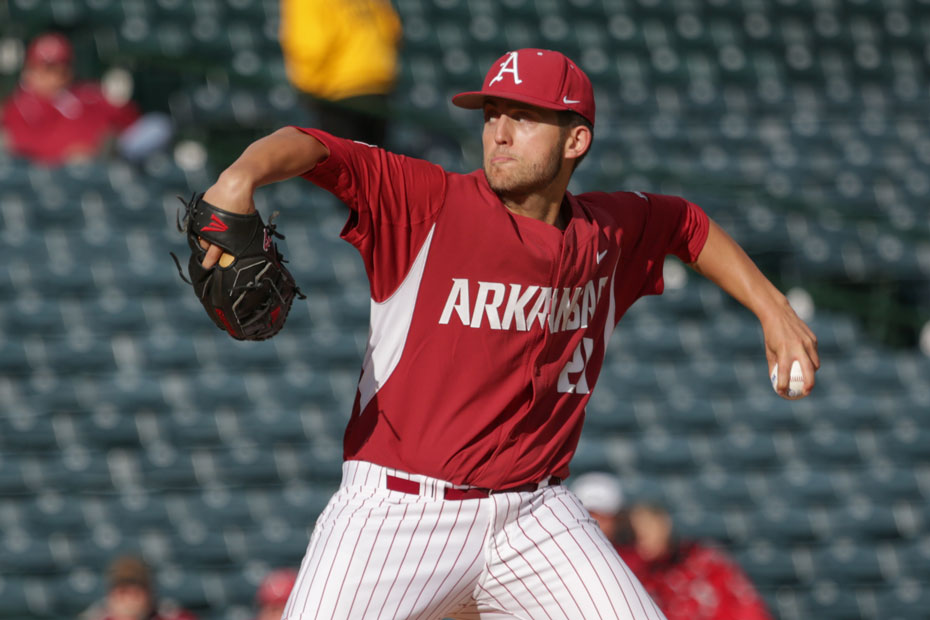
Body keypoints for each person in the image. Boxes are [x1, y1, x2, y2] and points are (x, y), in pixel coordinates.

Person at [192, 48, 819, 619]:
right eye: (493, 113)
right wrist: (240, 178)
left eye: (523, 116)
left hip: (537, 514)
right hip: (398, 513)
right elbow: (312, 144)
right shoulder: (428, 203)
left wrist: (774, 309)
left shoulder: (609, 233)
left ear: (576, 140)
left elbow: (686, 224)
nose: (500, 132)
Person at [1, 32, 172, 166]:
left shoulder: (86, 93)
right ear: (30, 69)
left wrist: (112, 137)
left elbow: (129, 118)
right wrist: (68, 154)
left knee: (158, 125)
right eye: (47, 68)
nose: (54, 76)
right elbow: (24, 148)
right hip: (64, 170)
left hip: (112, 159)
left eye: (61, 67)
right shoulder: (19, 106)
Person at [617, 503, 773, 620]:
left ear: (664, 526)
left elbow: (746, 608)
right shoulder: (631, 571)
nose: (642, 537)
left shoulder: (702, 561)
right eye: (635, 532)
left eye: (649, 528)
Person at [279, 0, 402, 147]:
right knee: (373, 164)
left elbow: (312, 45)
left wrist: (308, 86)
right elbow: (392, 29)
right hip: (378, 86)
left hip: (338, 90)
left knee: (344, 164)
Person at [80, 555, 197, 620]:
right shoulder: (95, 617)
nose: (129, 600)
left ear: (149, 593)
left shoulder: (172, 616)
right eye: (122, 592)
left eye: (136, 593)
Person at [570, 470, 634, 546]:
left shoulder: (640, 554)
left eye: (603, 517)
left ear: (617, 519)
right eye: (588, 515)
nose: (595, 523)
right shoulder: (557, 551)